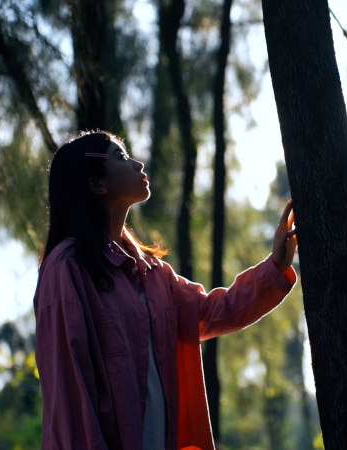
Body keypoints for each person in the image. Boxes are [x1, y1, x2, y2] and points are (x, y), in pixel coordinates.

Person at [34, 131, 298, 450]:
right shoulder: (67, 268)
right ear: (97, 184)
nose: (138, 163)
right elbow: (69, 393)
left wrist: (275, 264)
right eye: (120, 157)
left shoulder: (152, 272)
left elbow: (216, 311)